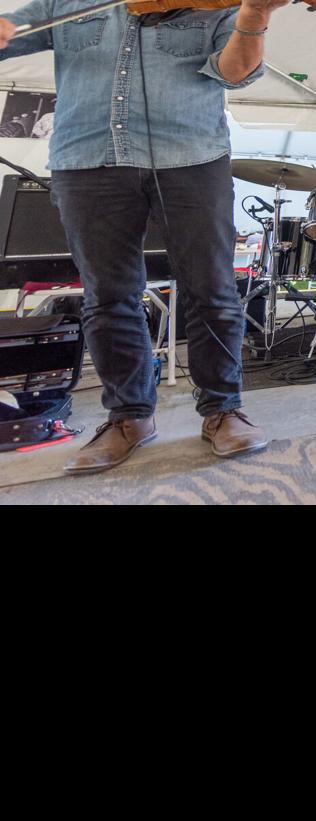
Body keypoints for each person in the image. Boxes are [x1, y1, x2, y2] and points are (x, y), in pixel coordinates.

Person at [0, 0, 285, 474]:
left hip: (192, 159)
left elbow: (233, 72)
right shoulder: (66, 3)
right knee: (108, 295)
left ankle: (221, 410)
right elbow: (11, 33)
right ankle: (129, 417)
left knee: (212, 289)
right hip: (86, 159)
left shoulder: (216, 4)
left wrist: (255, 14)